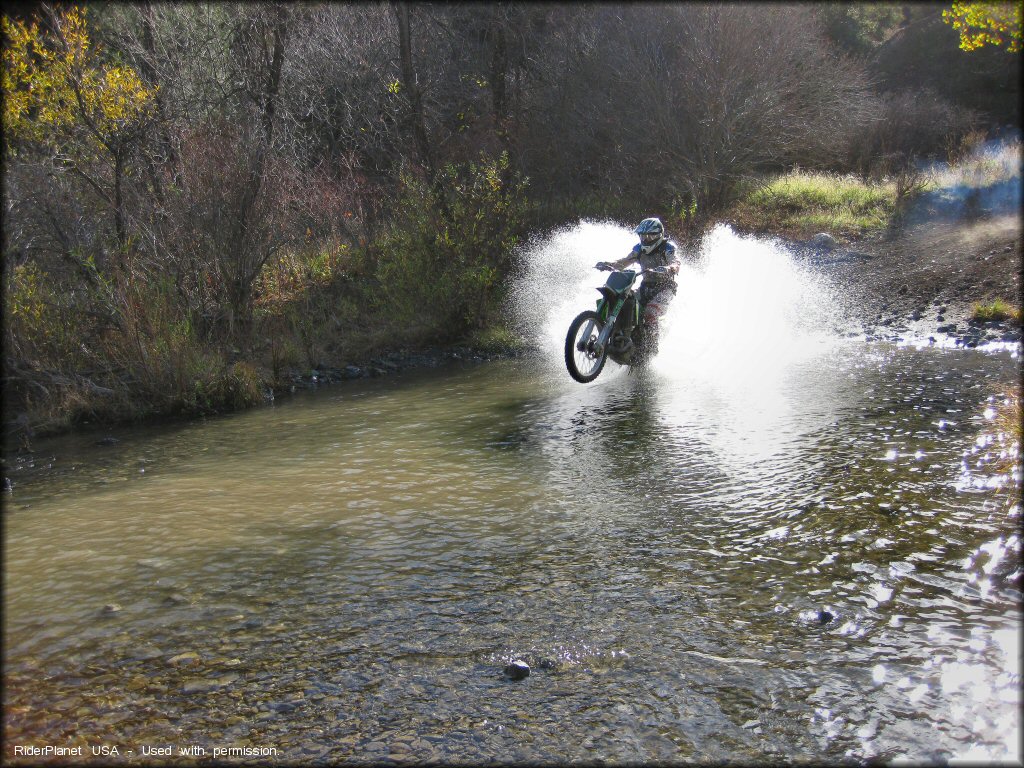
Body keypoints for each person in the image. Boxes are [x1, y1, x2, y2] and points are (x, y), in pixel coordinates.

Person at [595, 217, 681, 350]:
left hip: (665, 289)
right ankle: (621, 336)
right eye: (642, 235)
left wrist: (670, 268)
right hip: (645, 287)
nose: (645, 239)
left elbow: (676, 262)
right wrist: (609, 265)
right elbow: (624, 262)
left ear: (658, 235)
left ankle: (651, 347)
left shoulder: (668, 247)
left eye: (649, 236)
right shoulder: (638, 248)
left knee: (650, 313)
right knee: (624, 302)